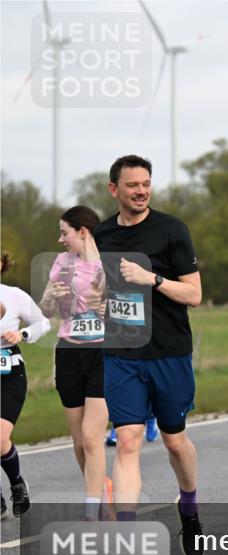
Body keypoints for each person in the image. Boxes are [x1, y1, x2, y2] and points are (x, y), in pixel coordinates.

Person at [94, 155, 204, 555]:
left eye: (146, 184)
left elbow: (194, 295)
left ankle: (189, 507)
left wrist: (153, 279)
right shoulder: (101, 235)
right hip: (121, 353)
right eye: (132, 185)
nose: (141, 191)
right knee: (127, 438)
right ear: (114, 190)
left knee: (175, 442)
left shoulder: (172, 230)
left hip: (169, 352)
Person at [38, 206, 113, 520]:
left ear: (82, 231)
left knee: (93, 436)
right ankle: (101, 487)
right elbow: (44, 311)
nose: (60, 239)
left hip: (104, 353)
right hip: (69, 352)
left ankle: (91, 510)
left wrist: (104, 307)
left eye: (64, 232)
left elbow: (128, 315)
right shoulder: (61, 263)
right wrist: (51, 298)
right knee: (80, 442)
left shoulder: (111, 263)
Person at [1, 252, 51, 520]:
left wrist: (21, 334)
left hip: (9, 373)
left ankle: (17, 484)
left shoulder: (13, 295)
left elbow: (44, 323)